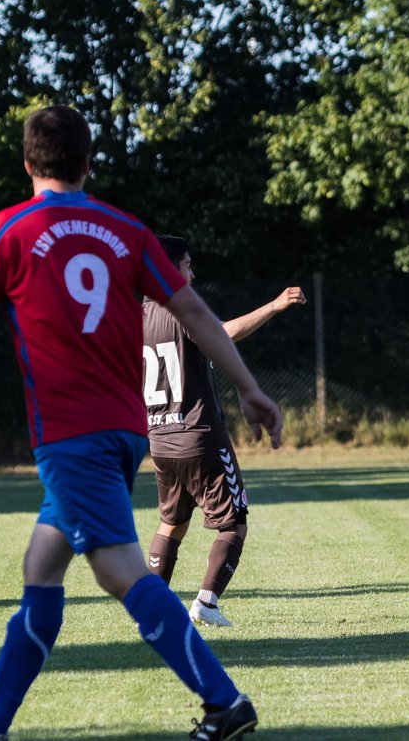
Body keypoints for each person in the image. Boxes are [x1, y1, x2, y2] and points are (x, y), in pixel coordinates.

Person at [0, 106, 279, 741]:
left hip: (71, 435)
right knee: (42, 567)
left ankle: (225, 702)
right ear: (88, 163)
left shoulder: (7, 230)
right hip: (125, 430)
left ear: (28, 164)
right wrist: (249, 387)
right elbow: (194, 311)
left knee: (120, 570)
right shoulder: (125, 229)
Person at [144, 235, 306, 627]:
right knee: (234, 522)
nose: (192, 272)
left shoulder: (138, 314)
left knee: (172, 522)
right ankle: (207, 602)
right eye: (186, 264)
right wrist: (274, 305)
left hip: (160, 439)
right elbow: (223, 333)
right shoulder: (181, 309)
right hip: (199, 435)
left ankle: (150, 608)